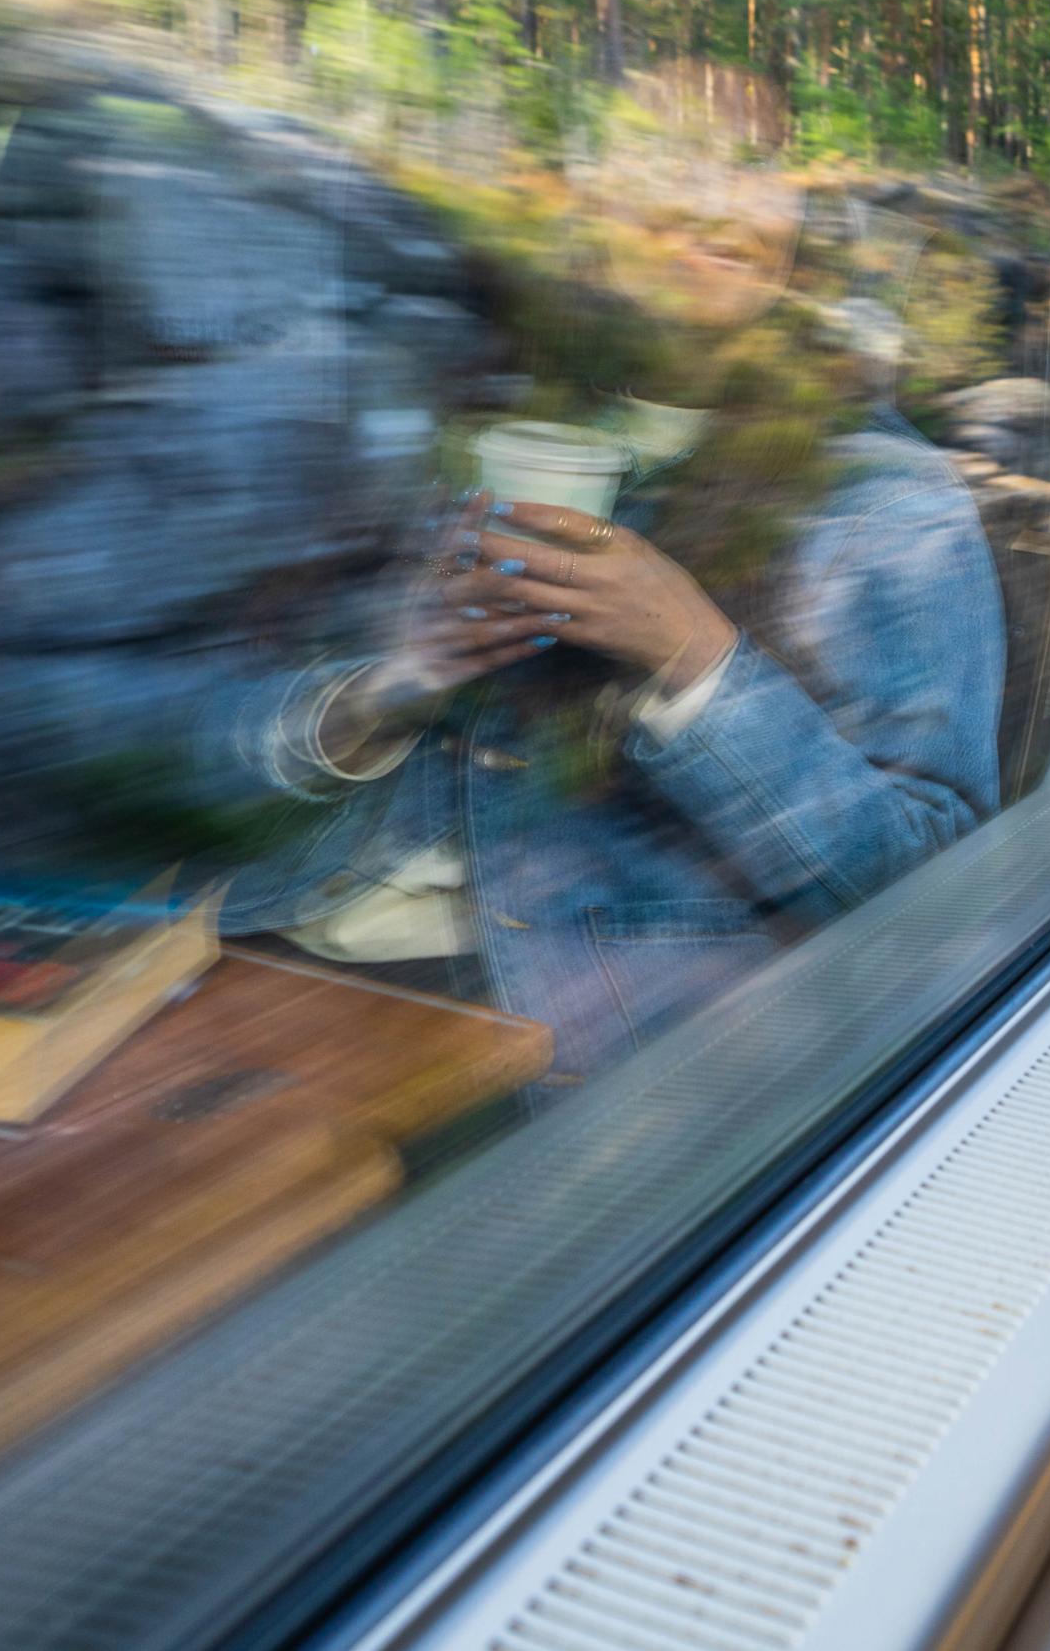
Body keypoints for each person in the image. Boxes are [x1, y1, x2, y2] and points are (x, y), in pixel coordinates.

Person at [227, 70, 1006, 1073]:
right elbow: (217, 730)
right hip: (270, 949)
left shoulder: (883, 499)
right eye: (669, 156)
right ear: (586, 201)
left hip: (571, 1048)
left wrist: (696, 661)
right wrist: (389, 683)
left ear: (801, 222)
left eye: (757, 165)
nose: (714, 201)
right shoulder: (440, 414)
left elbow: (930, 896)